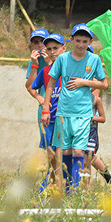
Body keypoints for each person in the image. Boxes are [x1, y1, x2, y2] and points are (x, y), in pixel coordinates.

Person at [41, 23, 108, 193]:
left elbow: (104, 84)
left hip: (84, 113)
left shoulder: (94, 60)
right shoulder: (63, 59)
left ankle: (76, 190)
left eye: (84, 41)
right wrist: (46, 108)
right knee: (65, 150)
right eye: (77, 40)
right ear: (71, 40)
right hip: (64, 112)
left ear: (90, 42)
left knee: (79, 151)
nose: (80, 44)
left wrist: (84, 82)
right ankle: (66, 188)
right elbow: (51, 82)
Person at [30, 33, 66, 192]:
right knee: (51, 155)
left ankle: (61, 187)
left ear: (64, 49)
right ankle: (52, 185)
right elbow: (30, 86)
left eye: (56, 48)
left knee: (63, 154)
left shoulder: (70, 68)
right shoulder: (46, 70)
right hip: (49, 117)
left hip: (65, 117)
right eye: (49, 48)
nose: (52, 51)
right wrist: (42, 100)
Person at [24, 29, 50, 156]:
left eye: (43, 42)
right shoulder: (34, 61)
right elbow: (29, 86)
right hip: (45, 107)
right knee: (48, 146)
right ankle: (49, 175)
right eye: (36, 42)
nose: (40, 45)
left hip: (61, 105)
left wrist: (49, 62)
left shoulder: (59, 58)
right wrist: (39, 97)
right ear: (32, 46)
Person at [82, 92, 111, 185]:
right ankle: (110, 180)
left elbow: (102, 118)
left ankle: (85, 189)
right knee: (87, 158)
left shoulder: (96, 99)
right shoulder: (77, 98)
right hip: (79, 130)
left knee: (87, 158)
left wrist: (91, 118)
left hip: (91, 132)